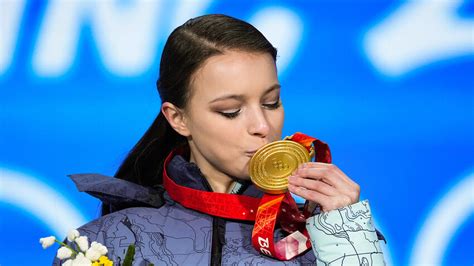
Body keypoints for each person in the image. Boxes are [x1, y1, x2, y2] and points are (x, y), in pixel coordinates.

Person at [53, 14, 386, 265]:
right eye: (230, 110)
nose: (261, 125)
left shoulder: (318, 236)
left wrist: (348, 239)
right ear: (178, 118)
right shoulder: (108, 241)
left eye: (271, 103)